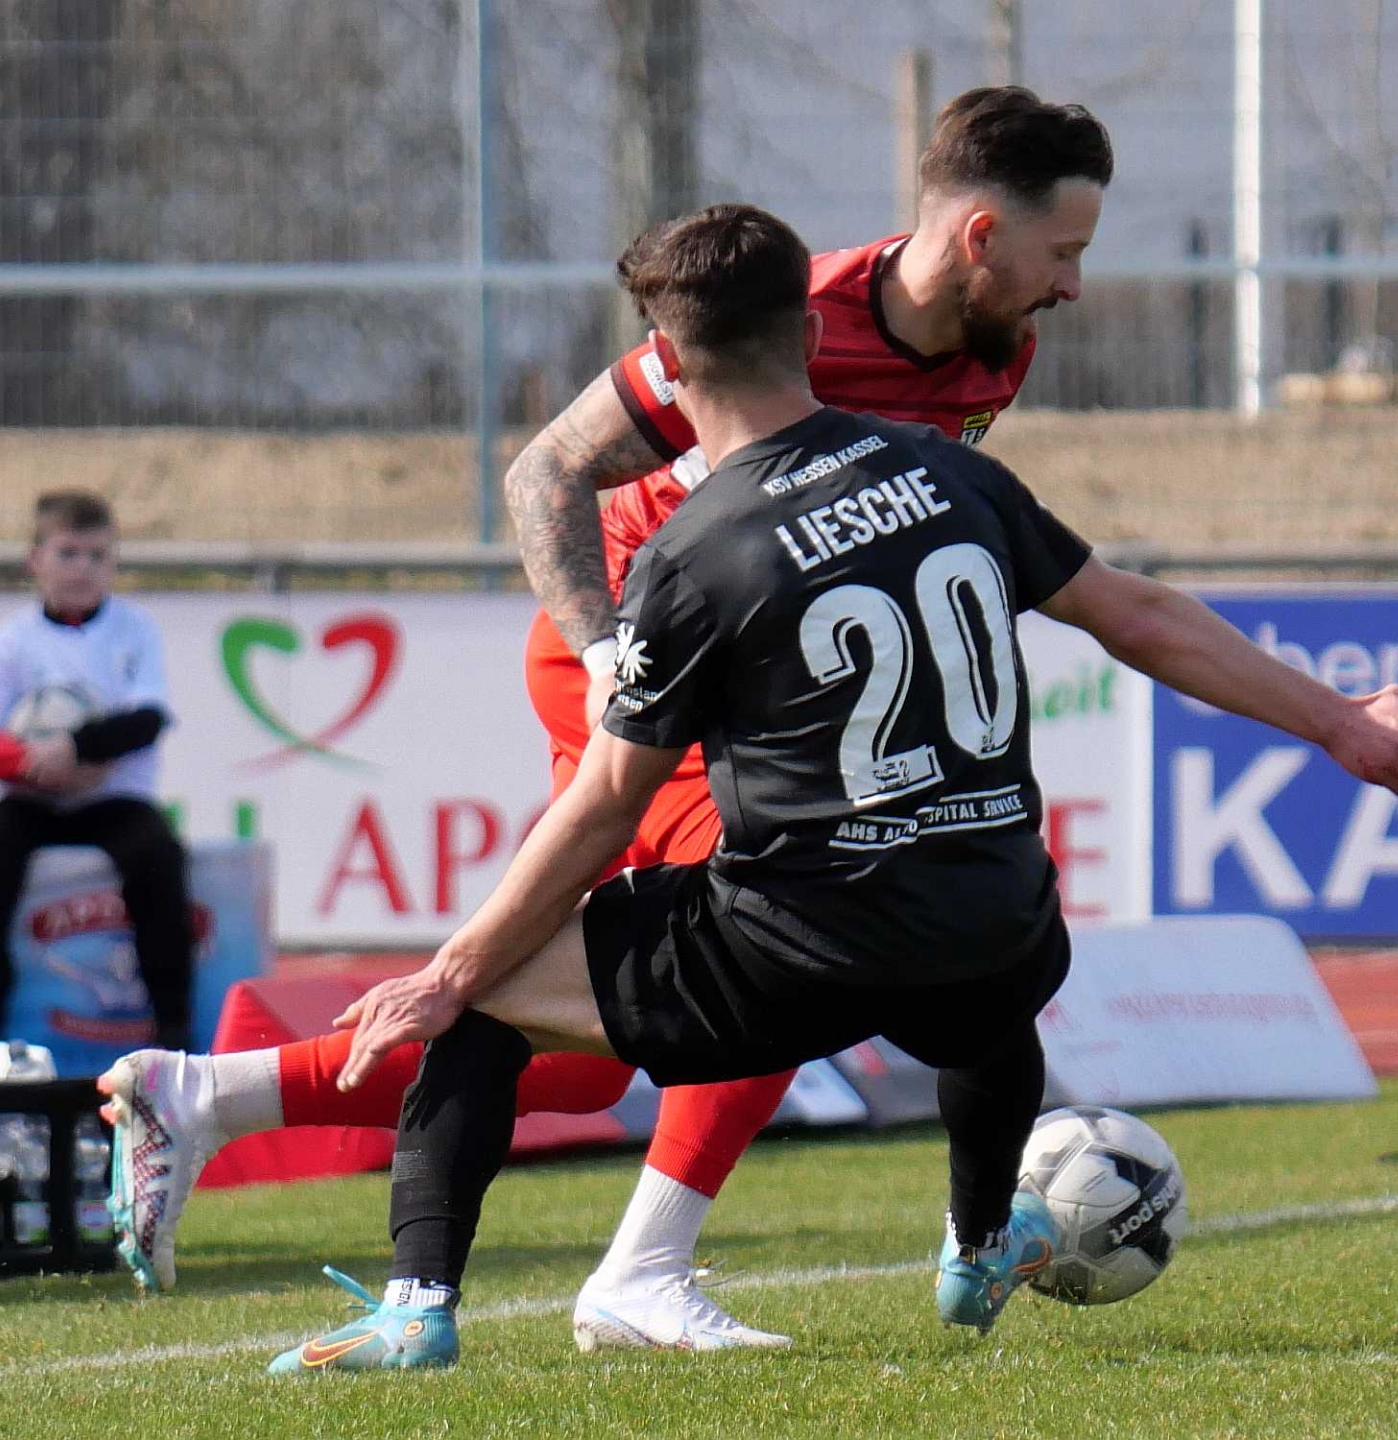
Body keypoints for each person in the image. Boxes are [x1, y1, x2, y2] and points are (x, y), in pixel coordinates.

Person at [265, 202, 1398, 1373]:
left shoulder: (691, 552)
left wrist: (449, 972)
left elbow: (606, 805)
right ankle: (978, 1245)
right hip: (1001, 931)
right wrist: (1335, 721)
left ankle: (416, 1311)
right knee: (991, 991)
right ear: (812, 336)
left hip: (800, 957)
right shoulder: (954, 473)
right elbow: (1139, 616)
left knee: (483, 1007)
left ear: (668, 365)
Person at [99, 86, 1115, 1348]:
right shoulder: (780, 318)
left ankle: (210, 1095)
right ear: (981, 235)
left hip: (747, 679)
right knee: (794, 921)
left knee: (599, 1040)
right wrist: (602, 655)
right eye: (1065, 251)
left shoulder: (998, 345)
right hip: (652, 658)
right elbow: (548, 467)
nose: (1075, 284)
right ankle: (639, 1275)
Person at [0, 490, 193, 1054]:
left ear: (113, 563)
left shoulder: (134, 631)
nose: (83, 568)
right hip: (33, 799)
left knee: (158, 857)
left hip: (113, 797)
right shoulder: (12, 641)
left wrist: (78, 749)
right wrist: (35, 764)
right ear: (35, 559)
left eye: (97, 555)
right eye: (68, 553)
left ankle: (172, 1027)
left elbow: (147, 720)